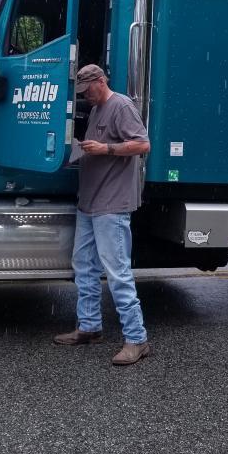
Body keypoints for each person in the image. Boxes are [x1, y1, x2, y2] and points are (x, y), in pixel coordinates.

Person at [53, 64, 152, 366]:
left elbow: (143, 145)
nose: (86, 97)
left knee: (118, 273)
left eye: (87, 91)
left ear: (101, 81)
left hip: (112, 204)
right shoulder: (97, 110)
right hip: (90, 203)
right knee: (83, 266)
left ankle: (137, 339)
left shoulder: (121, 105)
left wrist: (105, 148)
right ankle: (89, 327)